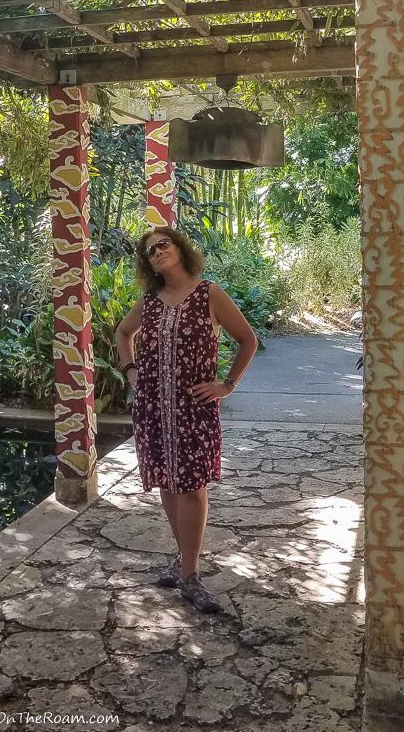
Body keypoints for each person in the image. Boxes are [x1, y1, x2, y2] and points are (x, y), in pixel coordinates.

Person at [115, 226, 258, 613]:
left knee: (192, 488)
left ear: (179, 248)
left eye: (162, 245)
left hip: (194, 409)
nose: (157, 253)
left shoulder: (209, 294)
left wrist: (227, 384)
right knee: (167, 481)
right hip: (153, 408)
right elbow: (123, 333)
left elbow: (248, 339)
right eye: (149, 252)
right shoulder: (151, 300)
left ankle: (190, 576)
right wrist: (131, 370)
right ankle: (183, 563)